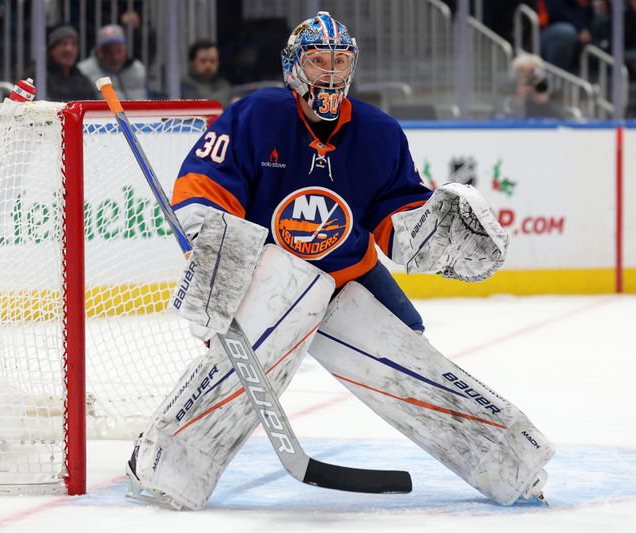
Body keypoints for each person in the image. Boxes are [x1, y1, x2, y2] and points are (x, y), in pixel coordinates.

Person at [124, 12, 550, 512]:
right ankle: (166, 463)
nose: (329, 73)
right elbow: (203, 194)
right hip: (273, 275)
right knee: (264, 340)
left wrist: (435, 237)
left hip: (349, 273)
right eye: (318, 59)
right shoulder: (255, 116)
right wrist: (222, 268)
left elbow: (396, 214)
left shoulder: (380, 133)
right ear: (292, 67)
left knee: (409, 354)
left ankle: (511, 461)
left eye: (340, 60)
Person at [26, 25, 96, 102]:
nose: (69, 49)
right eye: (64, 43)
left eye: (74, 44)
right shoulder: (36, 74)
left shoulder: (82, 80)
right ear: (52, 49)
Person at [494, 53, 575, 119]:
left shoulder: (550, 88)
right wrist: (519, 99)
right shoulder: (506, 88)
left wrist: (543, 102)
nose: (528, 77)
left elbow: (560, 117)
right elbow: (498, 115)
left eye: (532, 72)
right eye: (523, 72)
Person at [78, 24, 147, 100]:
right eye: (108, 52)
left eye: (119, 50)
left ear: (125, 48)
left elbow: (150, 98)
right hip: (105, 112)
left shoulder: (137, 68)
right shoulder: (83, 71)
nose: (115, 57)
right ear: (99, 51)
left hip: (140, 111)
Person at [538, 0, 595, 71]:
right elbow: (556, 10)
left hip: (580, 32)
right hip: (547, 30)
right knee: (566, 33)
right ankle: (555, 76)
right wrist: (580, 29)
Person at [180, 39, 232, 106]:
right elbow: (200, 107)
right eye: (203, 61)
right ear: (192, 62)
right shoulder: (185, 85)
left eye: (212, 61)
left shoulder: (224, 85)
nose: (208, 65)